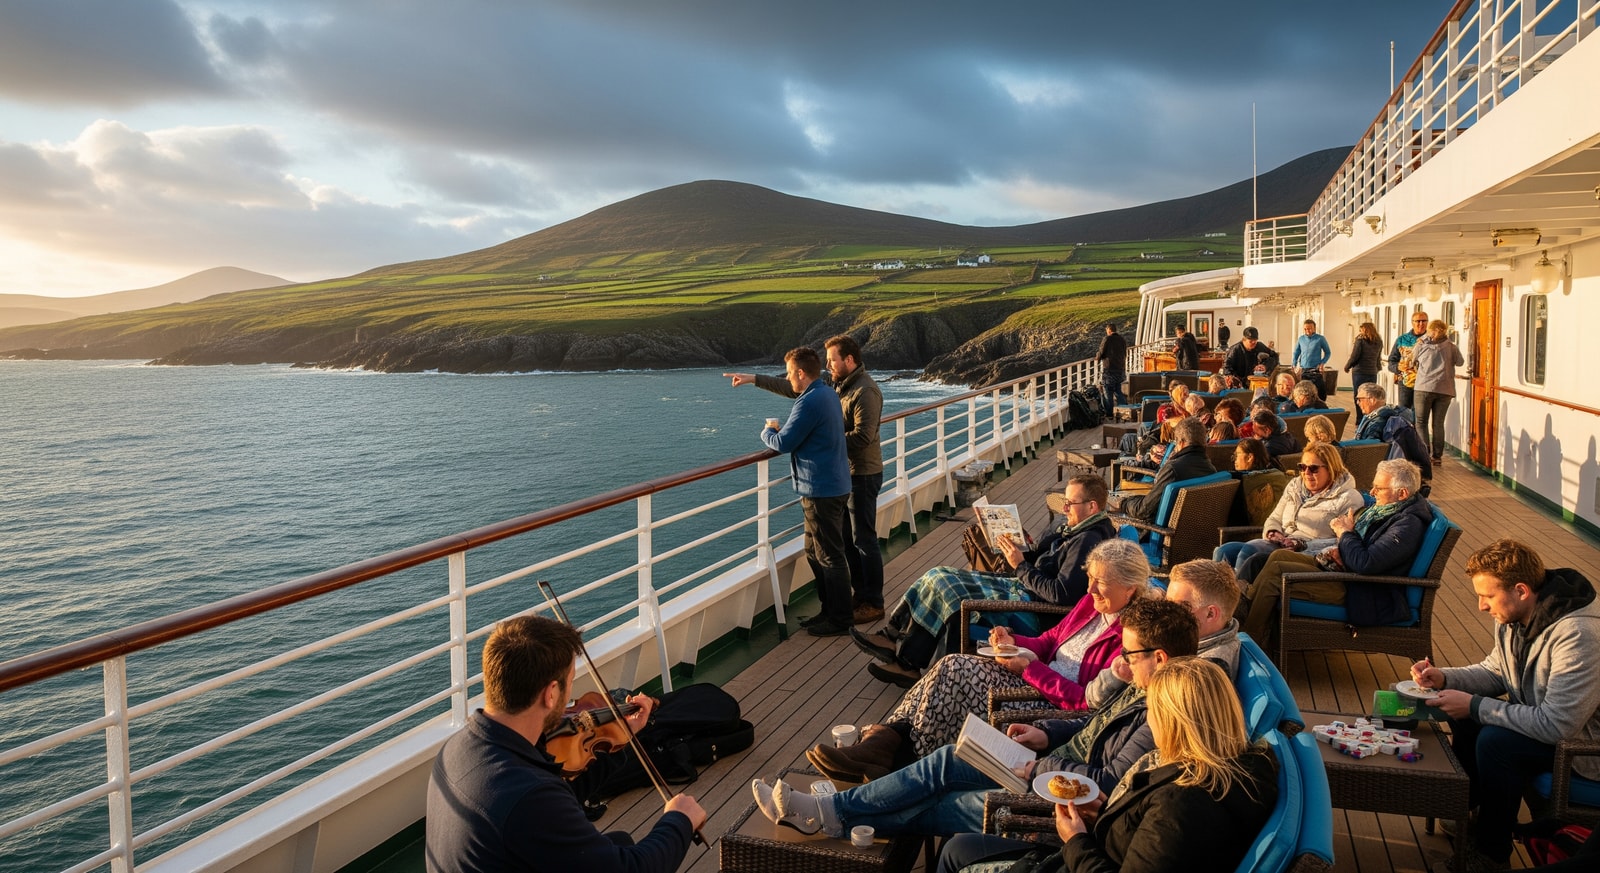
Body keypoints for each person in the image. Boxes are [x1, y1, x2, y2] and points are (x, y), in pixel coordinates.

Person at [773, 598, 1200, 831]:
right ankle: (841, 803)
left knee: (943, 794)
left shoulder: (1162, 711)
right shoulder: (1148, 686)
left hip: (1055, 794)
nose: (1122, 661)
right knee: (946, 758)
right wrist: (1045, 733)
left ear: (1159, 657)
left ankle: (834, 811)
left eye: (1129, 653)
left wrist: (1042, 762)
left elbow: (1106, 783)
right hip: (1049, 760)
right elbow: (1093, 724)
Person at [936, 657, 1277, 873]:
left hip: (1081, 856)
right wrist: (1104, 815)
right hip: (1098, 842)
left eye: (1153, 711)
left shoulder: (1184, 807)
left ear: (1172, 722)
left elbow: (1158, 836)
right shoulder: (1225, 767)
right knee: (958, 845)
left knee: (954, 852)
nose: (1149, 722)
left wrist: (1075, 840)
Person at [425, 616, 705, 873]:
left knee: (620, 840)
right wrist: (679, 820)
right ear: (551, 693)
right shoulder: (529, 797)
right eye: (570, 683)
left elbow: (560, 799)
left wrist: (622, 738)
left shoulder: (458, 747)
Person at [837, 538, 1153, 760]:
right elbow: (1048, 642)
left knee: (954, 673)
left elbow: (1083, 701)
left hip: (1049, 707)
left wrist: (1029, 668)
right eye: (1090, 578)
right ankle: (886, 742)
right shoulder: (1092, 604)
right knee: (951, 667)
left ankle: (892, 749)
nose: (1089, 589)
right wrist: (1014, 641)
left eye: (1100, 582)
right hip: (1034, 679)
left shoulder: (1132, 639)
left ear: (1130, 589)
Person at [1411, 539, 1600, 872]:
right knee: (1466, 718)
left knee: (1497, 742)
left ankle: (1492, 854)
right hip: (1549, 725)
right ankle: (1469, 812)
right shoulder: (1514, 616)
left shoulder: (1578, 634)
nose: (1482, 606)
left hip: (1582, 750)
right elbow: (1496, 670)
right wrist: (1444, 678)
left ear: (1522, 590)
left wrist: (1474, 706)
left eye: (1487, 596)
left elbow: (1559, 725)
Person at [851, 474, 1118, 684]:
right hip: (1021, 584)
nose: (1065, 507)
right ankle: (892, 634)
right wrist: (1025, 546)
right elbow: (1046, 559)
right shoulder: (1072, 528)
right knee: (937, 573)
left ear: (1092, 506)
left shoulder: (1088, 541)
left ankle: (907, 663)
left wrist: (1021, 566)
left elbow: (1062, 594)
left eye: (1071, 503)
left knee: (951, 590)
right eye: (1065, 501)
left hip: (1030, 604)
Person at [725, 336, 886, 623]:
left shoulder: (865, 391)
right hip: (839, 473)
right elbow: (794, 384)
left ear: (849, 360)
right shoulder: (830, 386)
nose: (829, 365)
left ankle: (871, 601)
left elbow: (863, 436)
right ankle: (849, 600)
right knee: (843, 544)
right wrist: (753, 378)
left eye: (833, 360)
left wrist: (826, 438)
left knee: (862, 540)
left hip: (861, 472)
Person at [1237, 459, 1432, 647]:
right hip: (1348, 574)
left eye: (1379, 488)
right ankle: (1250, 614)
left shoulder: (1407, 526)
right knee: (1278, 556)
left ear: (1402, 493)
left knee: (1276, 575)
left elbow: (1366, 563)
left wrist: (1345, 534)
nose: (1372, 493)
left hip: (1363, 592)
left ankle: (1249, 639)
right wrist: (1342, 549)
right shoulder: (1389, 511)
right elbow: (1364, 552)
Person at [760, 347, 854, 636]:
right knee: (814, 551)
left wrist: (768, 431)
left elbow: (784, 442)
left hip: (821, 489)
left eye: (789, 373)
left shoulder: (810, 402)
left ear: (801, 373)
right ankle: (829, 611)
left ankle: (840, 619)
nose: (788, 379)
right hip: (831, 484)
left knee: (830, 555)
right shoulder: (827, 393)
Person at [1087, 559, 1244, 708]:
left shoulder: (1201, 673)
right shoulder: (1178, 639)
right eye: (1166, 601)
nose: (1167, 611)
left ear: (1210, 614)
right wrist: (1117, 674)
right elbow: (1093, 698)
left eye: (1180, 606)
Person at [1214, 441, 1364, 574]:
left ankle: (1239, 601)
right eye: (1302, 467)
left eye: (1313, 468)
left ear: (1331, 469)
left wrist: (1300, 543)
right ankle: (1213, 599)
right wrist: (1274, 533)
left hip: (1306, 553)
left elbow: (1344, 542)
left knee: (1250, 551)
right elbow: (1274, 517)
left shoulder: (1348, 498)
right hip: (1279, 543)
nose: (1306, 473)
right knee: (1224, 551)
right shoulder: (1295, 486)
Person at [1109, 417, 1215, 525]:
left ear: (1182, 443)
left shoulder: (1173, 470)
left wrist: (1122, 503)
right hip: (1190, 530)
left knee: (1107, 507)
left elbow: (1143, 511)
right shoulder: (1211, 469)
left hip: (1160, 532)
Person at [1353, 382, 1434, 480]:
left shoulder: (1378, 422)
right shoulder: (1398, 415)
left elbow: (1368, 452)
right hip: (1409, 471)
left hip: (1386, 474)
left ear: (1372, 400)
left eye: (1359, 399)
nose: (1357, 402)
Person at [1411, 319, 1464, 464]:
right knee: (1438, 423)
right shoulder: (1451, 347)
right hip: (1445, 389)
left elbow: (1411, 361)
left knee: (1421, 422)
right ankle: (1437, 456)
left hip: (1424, 388)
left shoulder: (1422, 346)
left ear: (1430, 330)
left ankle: (1424, 454)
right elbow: (1460, 362)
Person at [1388, 311, 1431, 409]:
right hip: (1405, 383)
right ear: (1412, 322)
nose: (1421, 324)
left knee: (1420, 414)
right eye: (1418, 321)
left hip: (1425, 384)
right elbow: (1391, 361)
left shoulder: (1431, 340)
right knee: (1404, 412)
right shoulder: (1402, 340)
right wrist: (1398, 367)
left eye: (1424, 321)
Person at [1293, 319, 1332, 399]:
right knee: (1305, 392)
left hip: (1316, 369)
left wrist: (1322, 363)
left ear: (1314, 328)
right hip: (1304, 370)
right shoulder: (1301, 339)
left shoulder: (1320, 339)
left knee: (1320, 392)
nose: (1307, 330)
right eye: (1305, 329)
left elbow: (1328, 352)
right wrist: (1294, 364)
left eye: (1309, 328)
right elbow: (1296, 352)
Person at [1344, 321, 1384, 398]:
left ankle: (1360, 410)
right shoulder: (1379, 341)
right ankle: (1370, 410)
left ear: (1365, 330)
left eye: (1361, 330)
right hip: (1372, 372)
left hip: (1360, 372)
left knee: (1359, 395)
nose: (1360, 332)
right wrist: (1378, 368)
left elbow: (1355, 356)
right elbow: (1378, 357)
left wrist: (1347, 366)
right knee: (1371, 395)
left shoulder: (1360, 341)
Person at [1096, 323, 1128, 413]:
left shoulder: (1107, 339)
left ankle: (1109, 413)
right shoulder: (1122, 339)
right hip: (1120, 369)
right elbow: (1125, 353)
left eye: (1106, 331)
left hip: (1110, 370)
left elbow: (1101, 351)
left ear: (1109, 330)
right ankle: (1124, 410)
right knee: (1118, 391)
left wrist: (1097, 357)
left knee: (1108, 392)